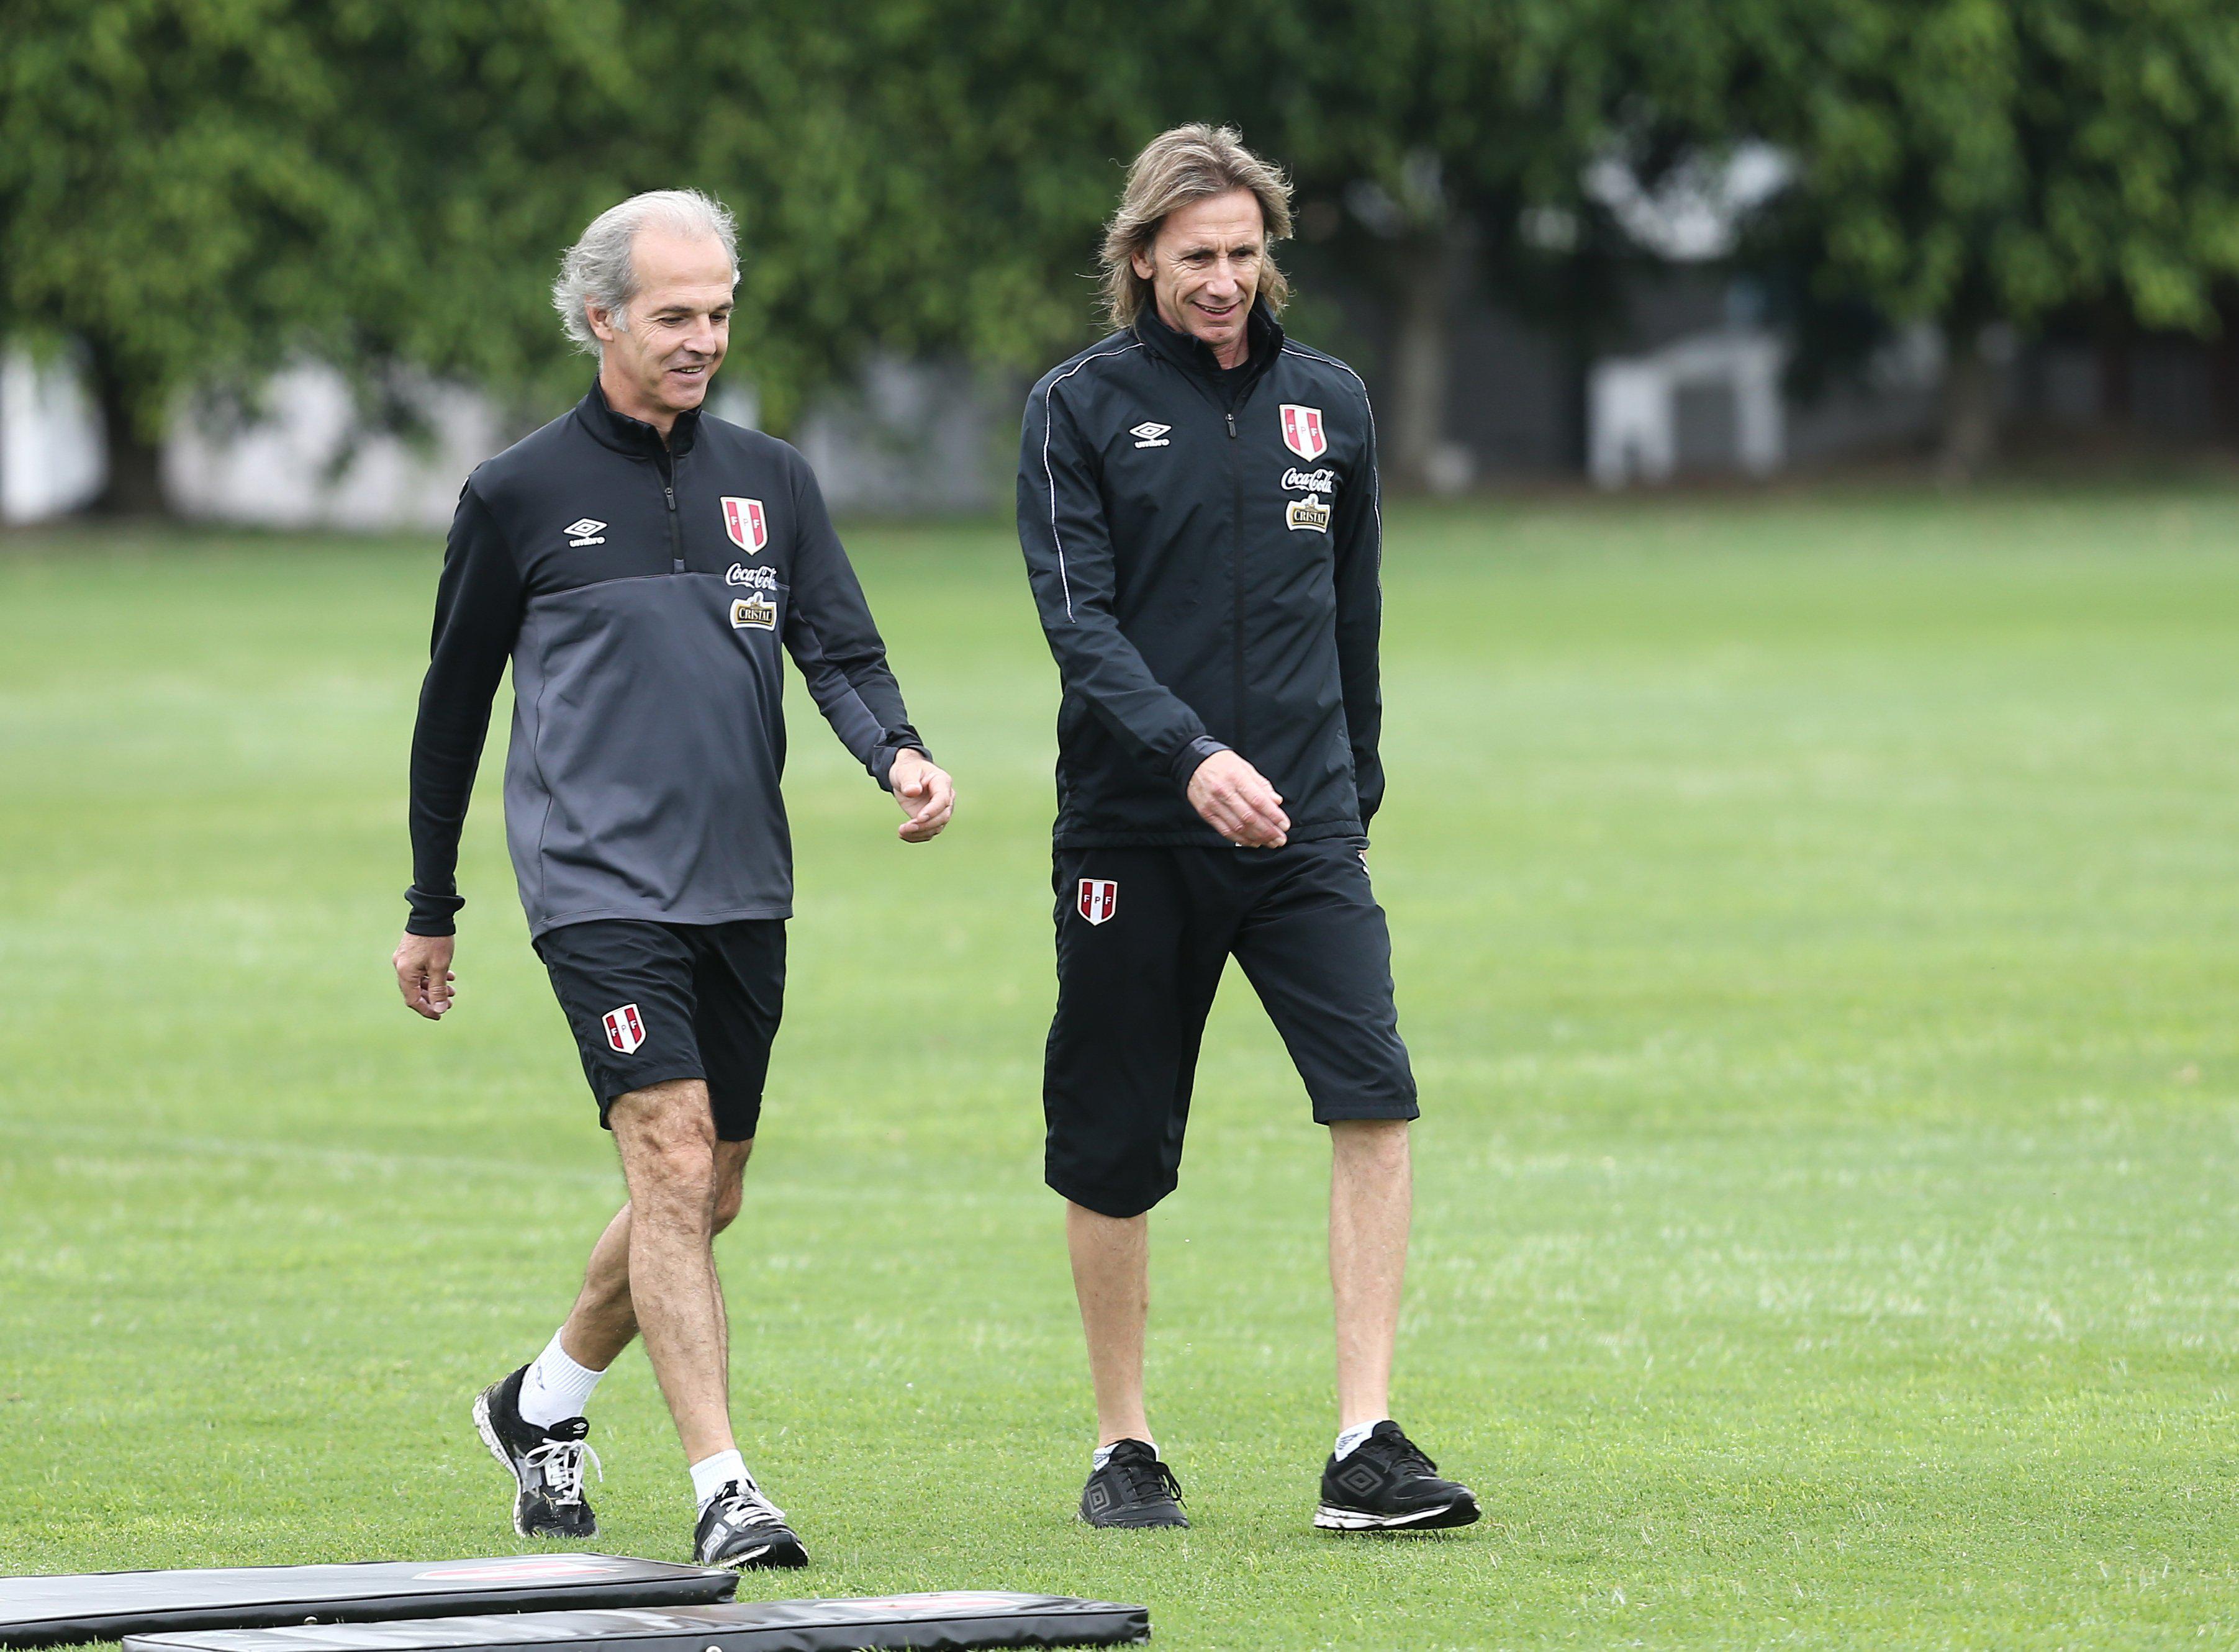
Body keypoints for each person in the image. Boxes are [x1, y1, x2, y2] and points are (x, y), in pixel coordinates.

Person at [391, 189, 954, 1569]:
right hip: (595, 890)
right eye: (675, 316)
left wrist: (900, 755)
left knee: (705, 1194)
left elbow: (841, 647)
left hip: (744, 883)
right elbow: (452, 706)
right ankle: (725, 1485)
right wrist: (431, 902)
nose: (704, 339)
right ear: (602, 317)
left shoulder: (773, 477)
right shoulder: (518, 493)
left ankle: (542, 1401)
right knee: (671, 1158)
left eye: (719, 313)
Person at [1016, 126, 1477, 1534]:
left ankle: (1366, 1439)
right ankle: (1124, 1443)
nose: (1224, 281)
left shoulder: (1329, 401)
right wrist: (1189, 754)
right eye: (1196, 256)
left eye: (1244, 253)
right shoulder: (1077, 409)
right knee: (1116, 1141)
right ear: (1141, 256)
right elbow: (1078, 626)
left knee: (1375, 1093)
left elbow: (1356, 609)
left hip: (1304, 832)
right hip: (1132, 830)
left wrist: (1353, 782)